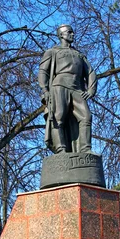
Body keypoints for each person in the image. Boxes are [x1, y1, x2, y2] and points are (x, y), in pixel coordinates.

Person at [38, 24, 97, 153]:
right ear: (61, 35)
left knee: (86, 116)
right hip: (59, 86)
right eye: (69, 32)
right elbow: (43, 72)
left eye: (72, 32)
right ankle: (61, 149)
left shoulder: (79, 55)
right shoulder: (52, 52)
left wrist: (91, 89)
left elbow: (91, 72)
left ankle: (85, 148)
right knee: (58, 117)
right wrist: (45, 90)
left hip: (77, 88)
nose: (72, 34)